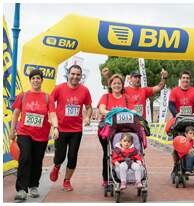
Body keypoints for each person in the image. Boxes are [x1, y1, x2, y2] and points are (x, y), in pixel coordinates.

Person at [9, 69, 59, 201]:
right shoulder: (23, 96)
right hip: (24, 132)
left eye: (38, 78)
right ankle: (21, 189)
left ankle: (33, 186)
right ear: (30, 80)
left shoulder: (47, 97)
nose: (36, 80)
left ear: (42, 80)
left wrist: (55, 127)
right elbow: (15, 113)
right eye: (33, 78)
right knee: (25, 158)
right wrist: (12, 130)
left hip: (41, 135)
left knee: (37, 161)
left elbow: (53, 114)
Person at [49, 64, 92, 192]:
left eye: (78, 75)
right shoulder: (59, 88)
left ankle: (67, 181)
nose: (75, 77)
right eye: (73, 74)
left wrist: (87, 117)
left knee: (72, 156)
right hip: (61, 129)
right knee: (60, 156)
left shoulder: (84, 90)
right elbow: (50, 104)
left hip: (76, 130)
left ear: (81, 76)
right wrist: (52, 122)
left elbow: (89, 107)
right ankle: (56, 166)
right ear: (68, 74)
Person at [97, 74, 133, 186]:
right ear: (110, 85)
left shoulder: (126, 98)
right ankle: (106, 177)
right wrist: (113, 113)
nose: (117, 85)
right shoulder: (105, 97)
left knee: (125, 152)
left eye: (119, 83)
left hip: (123, 129)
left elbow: (131, 111)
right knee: (108, 153)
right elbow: (102, 110)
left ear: (122, 86)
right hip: (108, 128)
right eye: (114, 83)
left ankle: (124, 174)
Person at [101, 67, 168, 119]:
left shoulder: (144, 90)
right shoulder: (124, 90)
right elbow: (114, 87)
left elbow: (160, 87)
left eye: (139, 77)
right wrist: (107, 77)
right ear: (130, 79)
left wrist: (164, 78)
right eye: (135, 77)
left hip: (140, 122)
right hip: (127, 122)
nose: (137, 79)